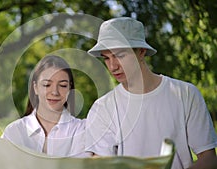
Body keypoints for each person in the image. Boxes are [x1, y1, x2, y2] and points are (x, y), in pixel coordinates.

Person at [85, 17, 217, 169]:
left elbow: (209, 158)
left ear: (141, 52)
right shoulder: (102, 108)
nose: (113, 66)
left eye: (120, 55)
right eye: (106, 58)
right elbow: (101, 164)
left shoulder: (185, 94)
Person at [1, 55, 87, 157]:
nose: (55, 92)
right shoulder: (14, 131)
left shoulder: (81, 130)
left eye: (63, 85)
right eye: (46, 85)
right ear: (35, 87)